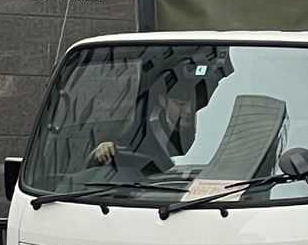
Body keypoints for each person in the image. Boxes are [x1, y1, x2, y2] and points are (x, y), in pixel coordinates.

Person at [90, 53, 220, 176]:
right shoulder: (142, 130)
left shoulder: (212, 127)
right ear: (164, 101)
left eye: (192, 103)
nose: (188, 110)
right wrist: (104, 148)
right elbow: (124, 153)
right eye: (181, 104)